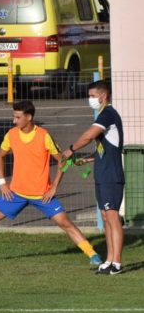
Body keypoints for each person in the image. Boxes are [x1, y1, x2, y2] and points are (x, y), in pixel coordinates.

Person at [0, 100, 102, 266]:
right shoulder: (11, 134)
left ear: (29, 117)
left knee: (65, 223)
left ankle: (93, 255)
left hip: (42, 195)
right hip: (15, 193)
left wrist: (54, 187)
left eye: (18, 117)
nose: (14, 121)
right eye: (14, 117)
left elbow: (62, 160)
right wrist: (2, 183)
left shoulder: (44, 136)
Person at [61, 80, 124, 275]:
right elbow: (104, 149)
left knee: (112, 217)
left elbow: (89, 135)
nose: (90, 99)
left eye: (92, 96)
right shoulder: (103, 115)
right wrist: (87, 159)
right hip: (102, 175)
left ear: (103, 96)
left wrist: (71, 149)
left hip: (111, 176)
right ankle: (109, 260)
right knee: (105, 217)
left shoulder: (108, 114)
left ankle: (117, 263)